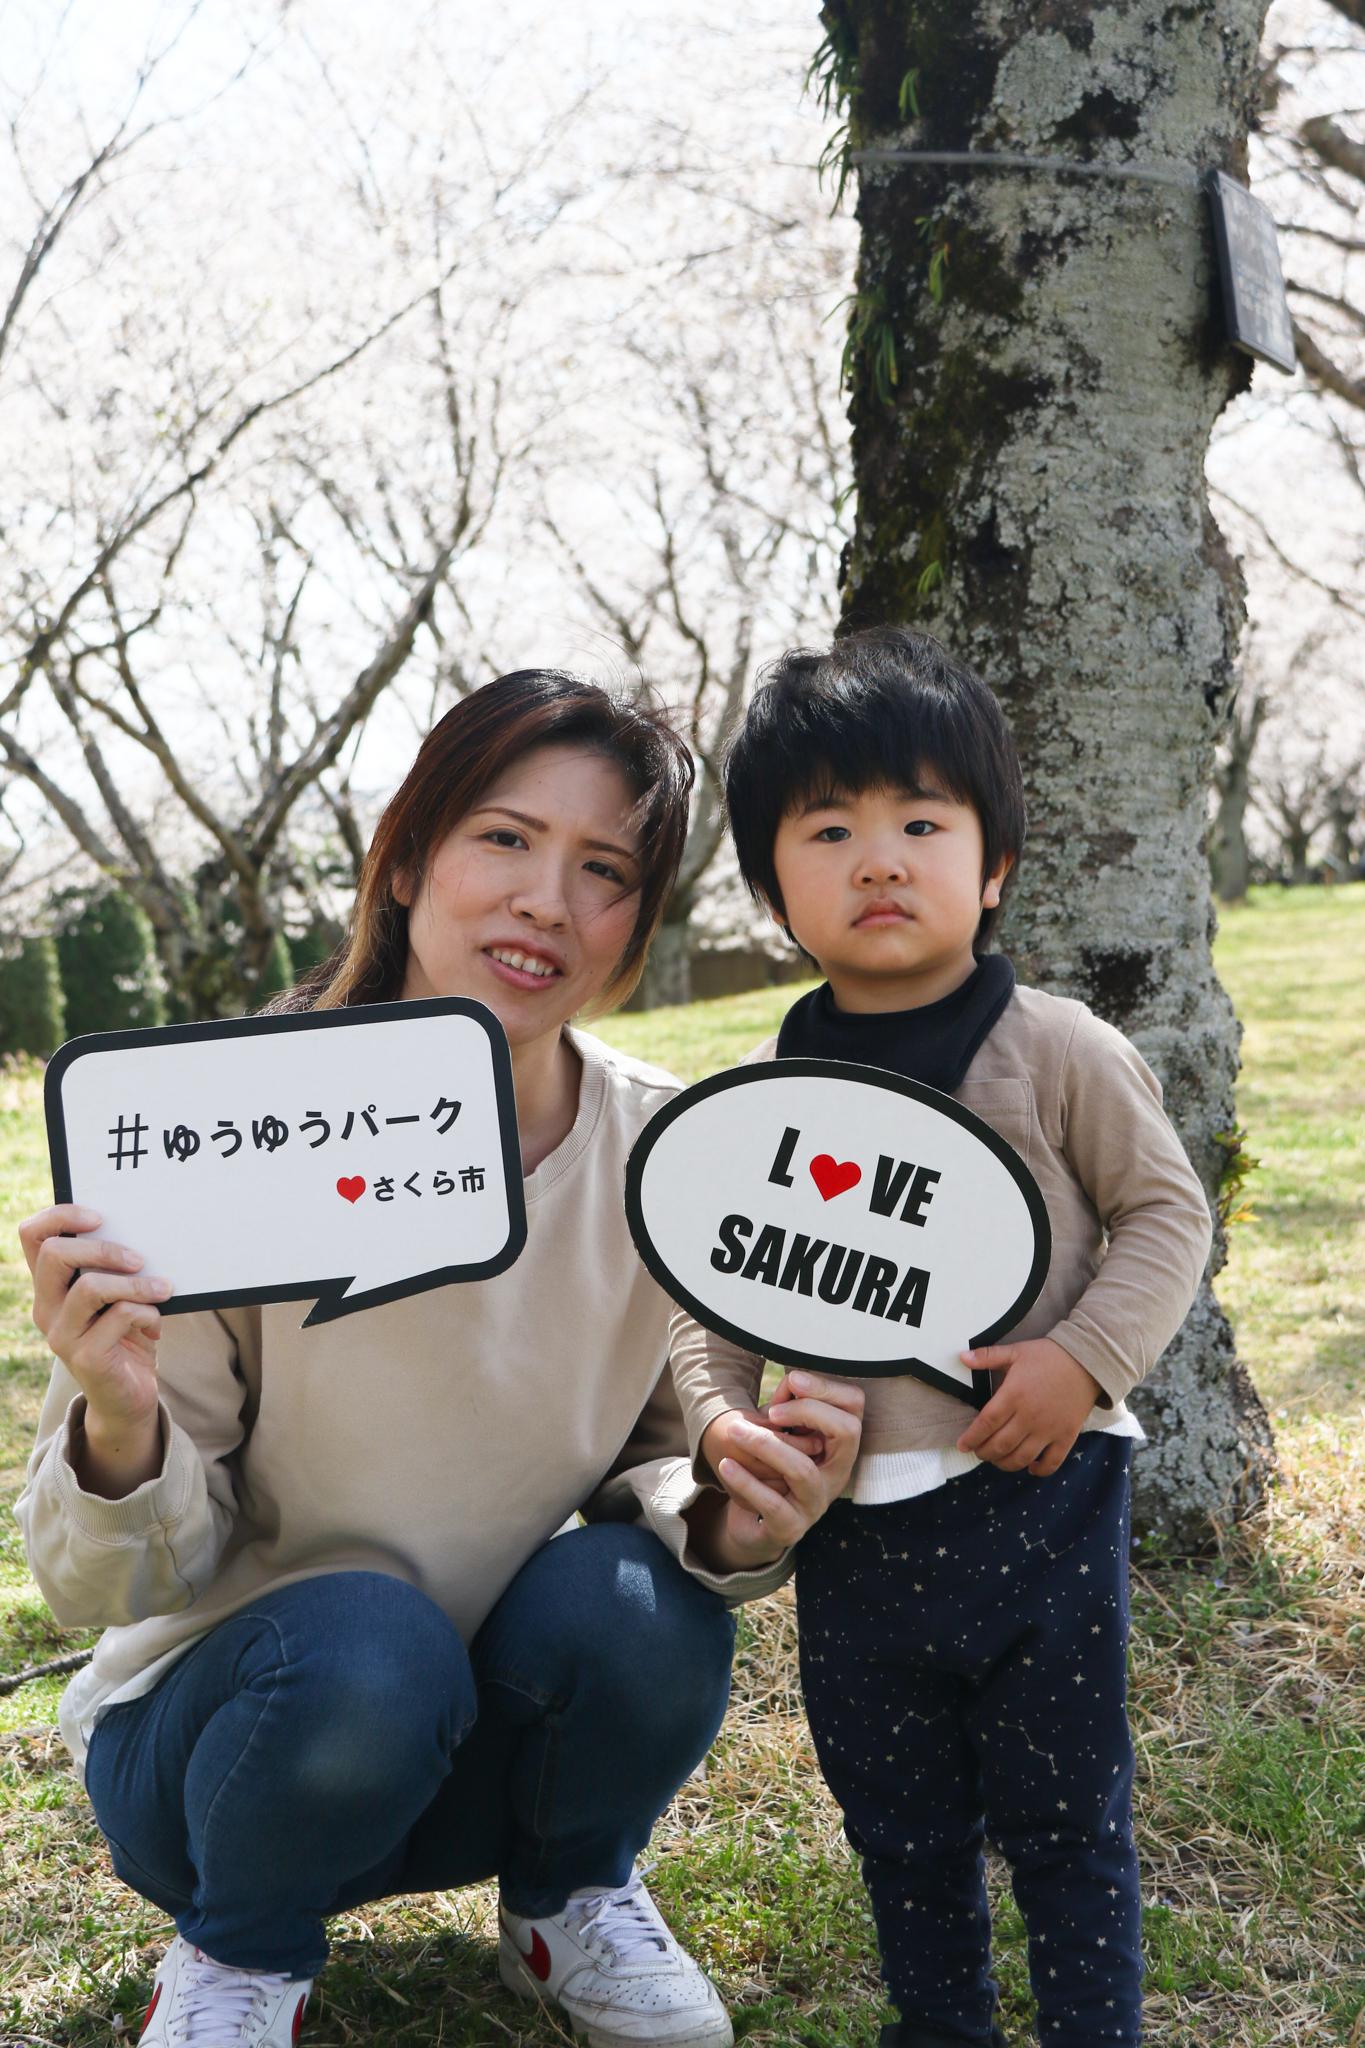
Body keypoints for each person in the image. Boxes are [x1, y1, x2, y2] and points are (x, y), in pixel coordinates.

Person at [16, 668, 864, 2048]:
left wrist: (729, 1505)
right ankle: (241, 1960)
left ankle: (567, 1893)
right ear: (407, 860)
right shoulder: (224, 1125)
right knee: (369, 1640)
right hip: (234, 1756)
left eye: (603, 871)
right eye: (505, 839)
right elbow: (94, 1582)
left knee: (645, 1605)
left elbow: (667, 1445)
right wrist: (119, 1417)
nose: (546, 902)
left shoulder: (668, 1154)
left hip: (484, 1749)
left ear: (636, 924)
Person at [669, 629, 1214, 2048]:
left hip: (1039, 1494)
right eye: (829, 828)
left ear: (994, 864)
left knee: (1063, 1810)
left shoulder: (1059, 1048)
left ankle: (1092, 2027)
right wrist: (720, 1419)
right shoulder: (757, 1095)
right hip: (850, 1524)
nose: (879, 858)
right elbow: (705, 1292)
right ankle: (942, 2023)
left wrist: (1082, 1358)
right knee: (896, 1816)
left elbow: (1165, 1216)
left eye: (922, 821)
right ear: (771, 883)